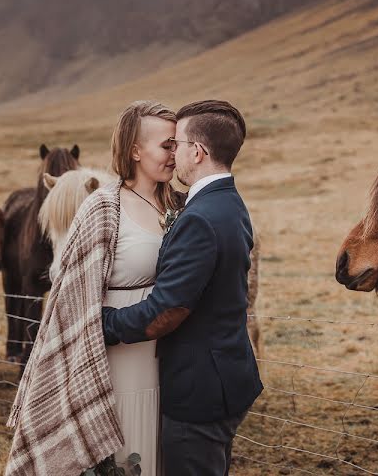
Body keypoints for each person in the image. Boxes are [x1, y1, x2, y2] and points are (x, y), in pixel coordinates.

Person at [5, 100, 180, 476]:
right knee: (125, 450)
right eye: (167, 144)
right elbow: (73, 294)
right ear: (135, 150)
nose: (175, 153)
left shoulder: (176, 203)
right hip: (115, 359)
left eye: (177, 143)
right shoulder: (103, 206)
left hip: (167, 359)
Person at [102, 99, 263, 476]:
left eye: (178, 143)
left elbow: (165, 313)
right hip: (225, 375)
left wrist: (100, 324)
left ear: (199, 150)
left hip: (199, 390)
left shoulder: (200, 218)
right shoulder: (228, 202)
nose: (174, 153)